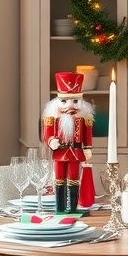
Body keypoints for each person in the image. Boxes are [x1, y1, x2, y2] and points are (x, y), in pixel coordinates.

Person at [42, 71, 95, 213]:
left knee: (73, 180)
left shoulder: (84, 119)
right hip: (59, 154)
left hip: (76, 153)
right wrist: (51, 141)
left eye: (75, 101)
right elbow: (47, 135)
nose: (70, 106)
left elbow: (87, 135)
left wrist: (88, 147)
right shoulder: (52, 119)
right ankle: (60, 207)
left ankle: (72, 207)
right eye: (64, 101)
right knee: (59, 180)